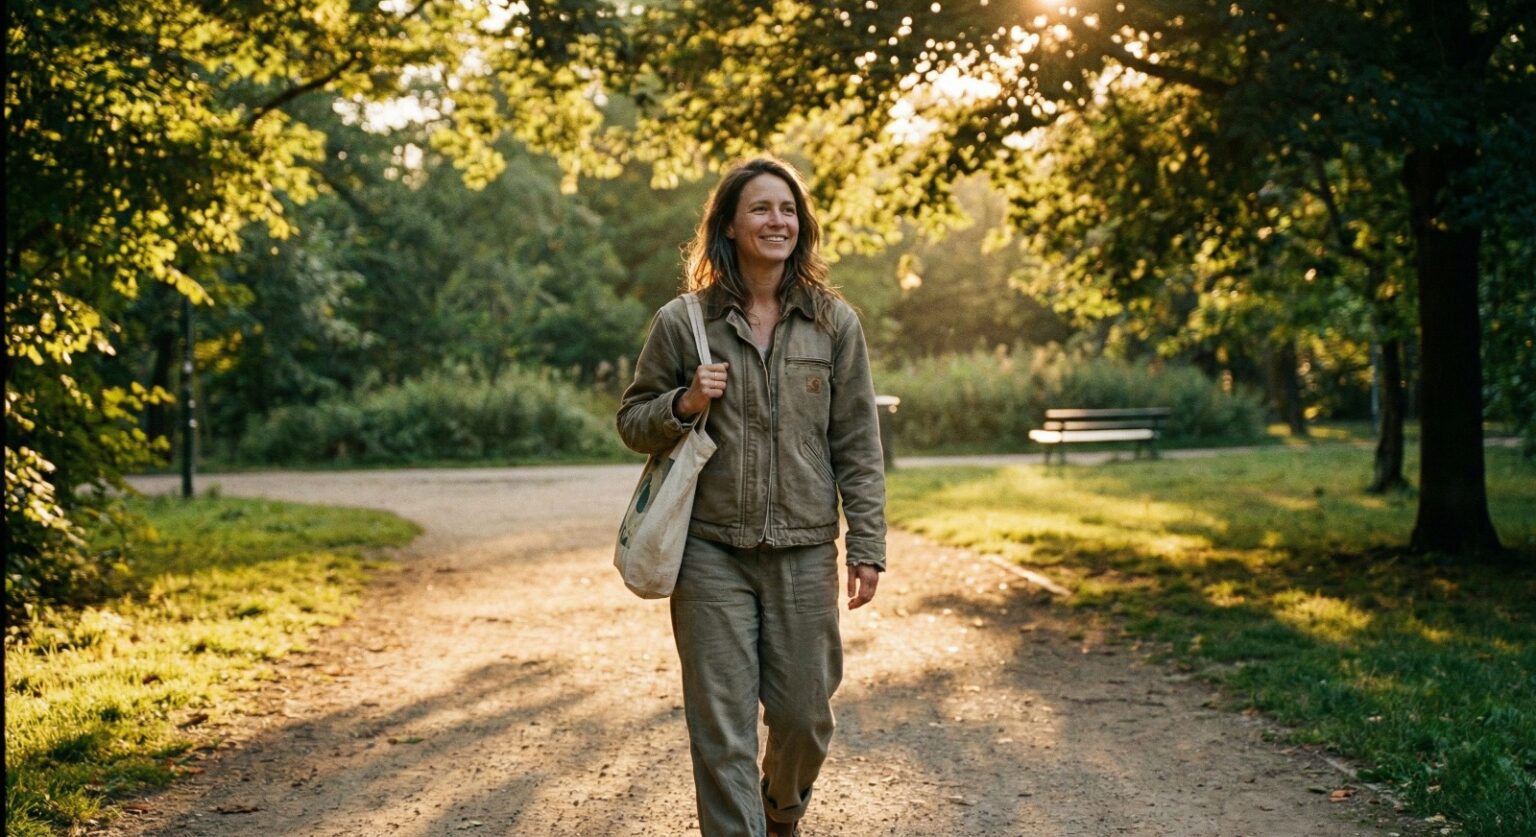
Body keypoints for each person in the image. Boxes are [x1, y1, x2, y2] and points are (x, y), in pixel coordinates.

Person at [617, 156, 887, 837]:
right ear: (730, 226)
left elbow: (858, 442)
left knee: (805, 714)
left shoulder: (833, 324)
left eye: (788, 209)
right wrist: (683, 400)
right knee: (722, 734)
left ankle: (780, 810)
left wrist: (868, 545)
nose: (778, 220)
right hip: (709, 554)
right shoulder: (684, 323)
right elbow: (632, 421)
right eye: (762, 209)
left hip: (802, 551)